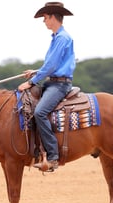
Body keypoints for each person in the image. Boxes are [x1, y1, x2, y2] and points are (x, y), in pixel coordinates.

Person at [18, 2, 75, 172]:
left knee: (40, 112)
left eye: (45, 18)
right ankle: (37, 150)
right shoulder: (57, 37)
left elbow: (51, 66)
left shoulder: (62, 38)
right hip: (53, 82)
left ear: (52, 17)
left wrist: (32, 81)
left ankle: (53, 157)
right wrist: (36, 71)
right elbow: (52, 65)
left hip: (59, 85)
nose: (44, 21)